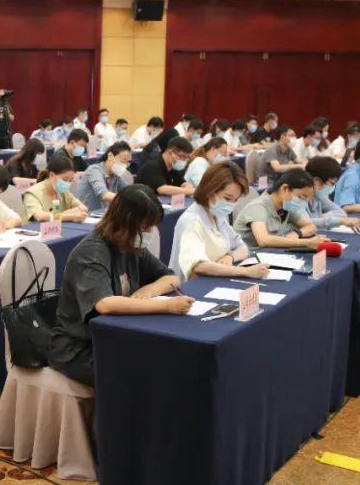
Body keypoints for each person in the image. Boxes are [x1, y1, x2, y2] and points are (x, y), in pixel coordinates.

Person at [49, 184, 194, 386]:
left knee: (168, 356)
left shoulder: (130, 245)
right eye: (144, 227)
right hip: (79, 348)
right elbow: (105, 304)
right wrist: (166, 305)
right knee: (148, 372)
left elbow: (171, 278)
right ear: (125, 223)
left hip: (117, 335)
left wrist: (150, 289)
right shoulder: (92, 252)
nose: (149, 232)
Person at [169, 162, 270, 282]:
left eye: (236, 200)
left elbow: (242, 247)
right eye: (227, 198)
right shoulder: (190, 221)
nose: (231, 205)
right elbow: (198, 266)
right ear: (209, 191)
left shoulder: (218, 215)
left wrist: (230, 257)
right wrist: (246, 272)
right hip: (190, 287)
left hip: (215, 280)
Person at [233, 169, 326, 250]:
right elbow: (263, 240)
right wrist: (307, 243)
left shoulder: (285, 207)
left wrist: (297, 233)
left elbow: (310, 226)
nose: (302, 203)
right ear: (285, 189)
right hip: (247, 257)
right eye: (301, 197)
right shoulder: (258, 207)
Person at [304, 157, 360, 232]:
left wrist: (322, 217)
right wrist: (341, 221)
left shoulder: (318, 196)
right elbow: (305, 222)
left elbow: (341, 212)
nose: (332, 187)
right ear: (316, 180)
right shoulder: (299, 197)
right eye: (331, 183)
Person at [23, 154, 89, 223]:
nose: (67, 184)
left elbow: (82, 208)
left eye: (70, 180)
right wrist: (69, 216)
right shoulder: (32, 193)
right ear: (51, 175)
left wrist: (69, 213)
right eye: (65, 179)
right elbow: (40, 216)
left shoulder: (63, 191)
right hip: (38, 228)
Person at [75, 141, 132, 211]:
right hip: (86, 214)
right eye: (123, 161)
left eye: (127, 162)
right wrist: (128, 199)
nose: (124, 165)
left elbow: (128, 191)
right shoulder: (94, 170)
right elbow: (104, 195)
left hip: (102, 214)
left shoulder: (115, 175)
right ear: (110, 156)